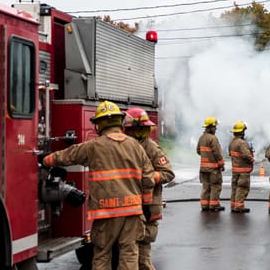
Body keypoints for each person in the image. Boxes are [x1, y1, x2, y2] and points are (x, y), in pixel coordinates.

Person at [42, 101, 156, 270]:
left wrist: (45, 160)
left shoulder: (94, 146)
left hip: (107, 213)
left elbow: (68, 155)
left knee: (103, 254)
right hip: (133, 211)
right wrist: (146, 205)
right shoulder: (136, 146)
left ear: (99, 124)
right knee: (129, 254)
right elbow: (148, 179)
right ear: (120, 121)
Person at [123, 108, 175, 270]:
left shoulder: (151, 147)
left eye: (132, 129)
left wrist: (149, 178)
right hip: (131, 205)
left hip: (147, 206)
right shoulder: (126, 145)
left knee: (142, 254)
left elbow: (168, 173)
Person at [196, 117, 226, 211]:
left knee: (206, 187)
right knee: (215, 187)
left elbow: (198, 151)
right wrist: (221, 164)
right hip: (213, 169)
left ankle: (204, 205)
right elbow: (217, 153)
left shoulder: (201, 138)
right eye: (215, 127)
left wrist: (206, 156)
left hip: (203, 169)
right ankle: (214, 205)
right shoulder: (213, 138)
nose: (216, 128)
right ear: (211, 127)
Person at [228, 121, 254, 213]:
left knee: (235, 188)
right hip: (243, 171)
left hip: (235, 170)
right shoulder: (242, 143)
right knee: (242, 188)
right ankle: (239, 206)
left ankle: (233, 205)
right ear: (242, 131)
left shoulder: (231, 142)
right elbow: (247, 155)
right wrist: (252, 159)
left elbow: (230, 154)